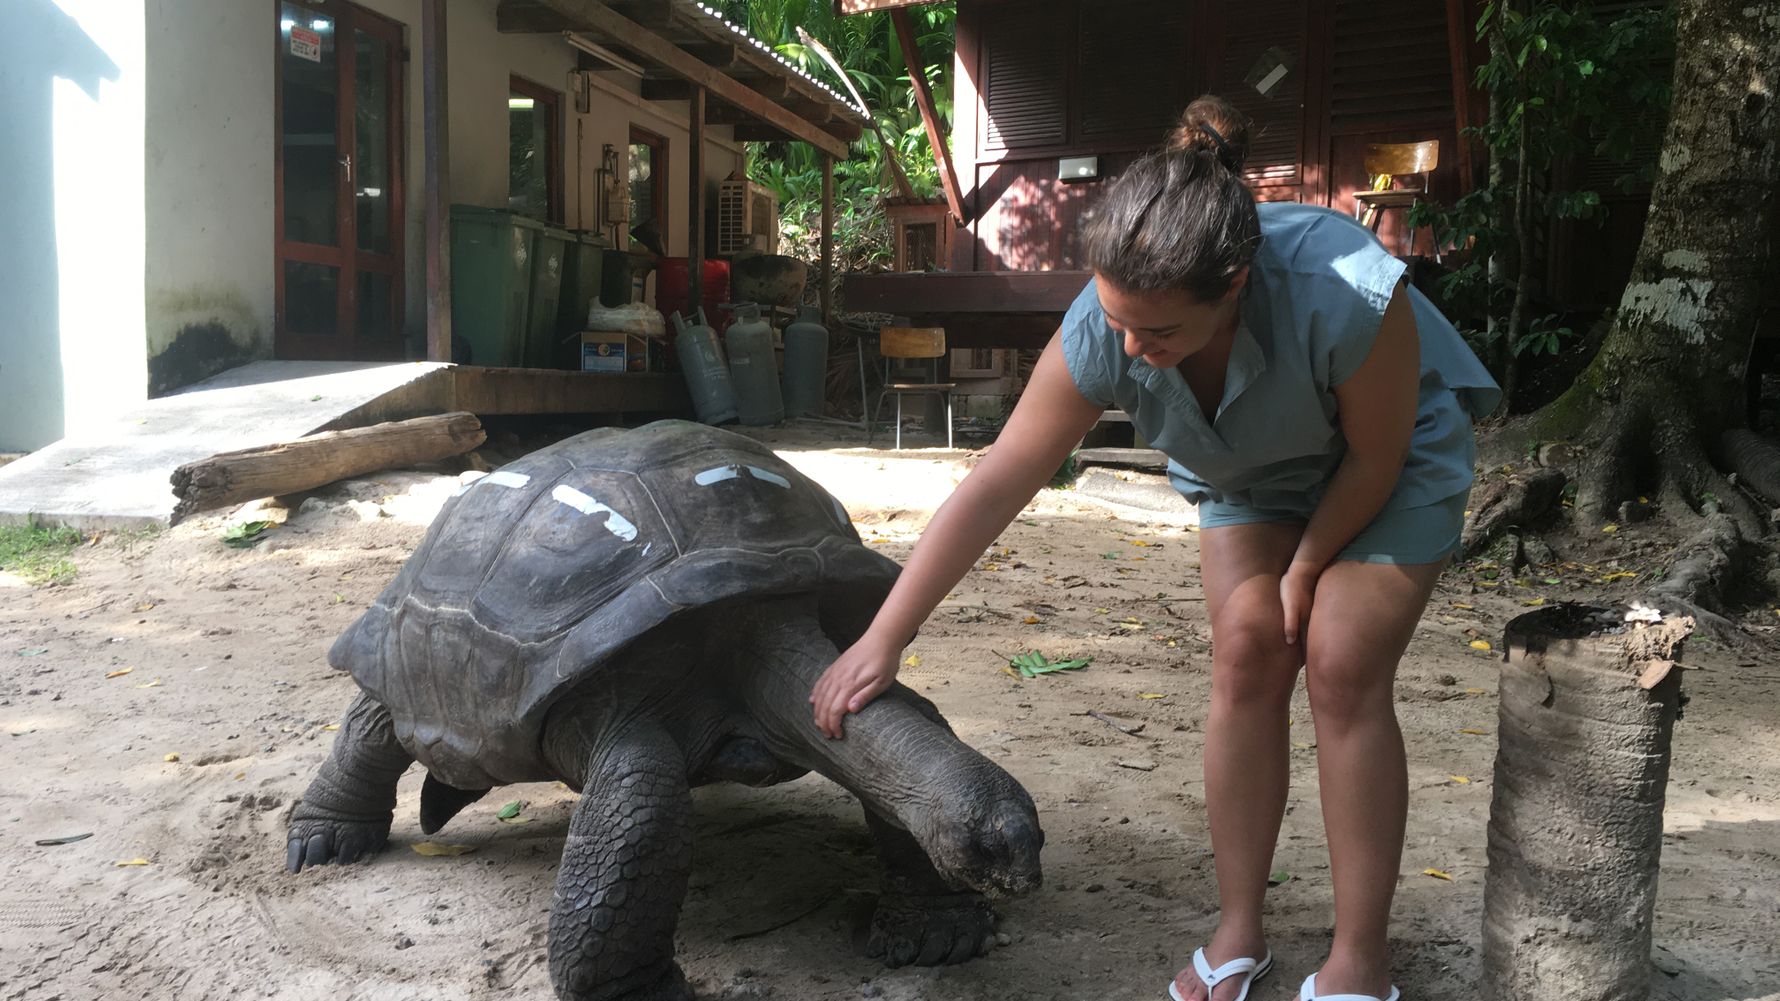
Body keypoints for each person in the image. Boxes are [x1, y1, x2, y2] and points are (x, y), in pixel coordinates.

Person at [810, 94, 1499, 1001]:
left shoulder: (1344, 287)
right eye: (1118, 322)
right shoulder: (1107, 326)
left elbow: (1375, 458)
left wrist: (1306, 566)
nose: (1131, 348)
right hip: (1250, 475)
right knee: (1248, 647)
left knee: (1340, 657)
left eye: (1160, 332)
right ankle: (1239, 927)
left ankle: (1359, 956)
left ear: (1235, 285)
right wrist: (885, 635)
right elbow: (1000, 479)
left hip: (1389, 465)